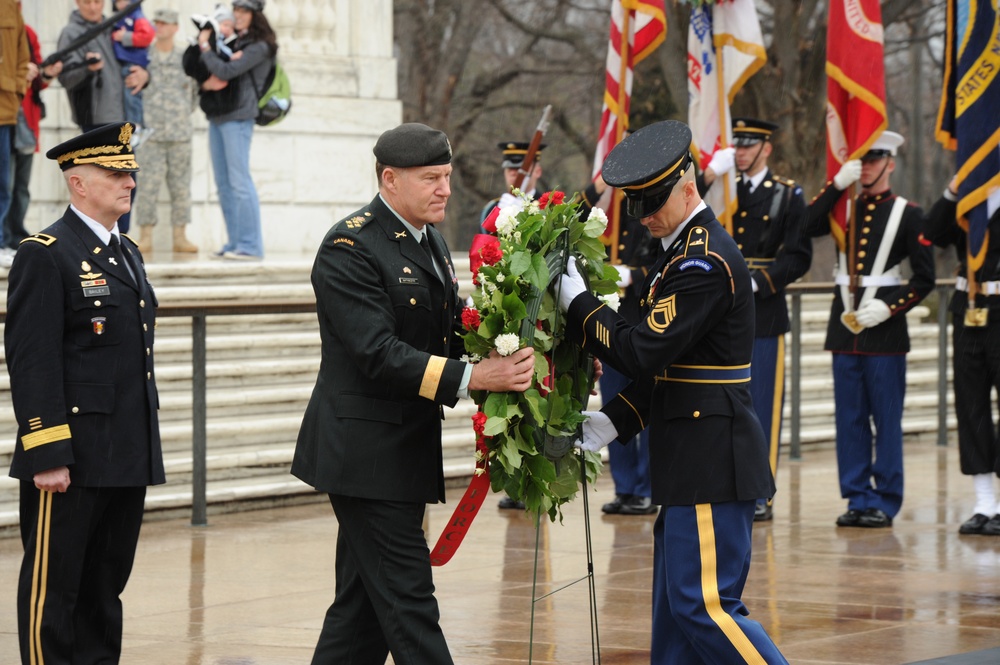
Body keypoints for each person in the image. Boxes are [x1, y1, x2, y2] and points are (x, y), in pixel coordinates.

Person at [291, 123, 536, 664]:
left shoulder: (429, 240)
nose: (445, 189)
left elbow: (441, 336)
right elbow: (377, 352)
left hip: (400, 451)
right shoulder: (349, 245)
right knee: (410, 605)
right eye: (431, 178)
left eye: (446, 176)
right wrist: (475, 378)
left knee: (361, 617)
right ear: (390, 179)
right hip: (364, 456)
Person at [556, 120, 787, 664]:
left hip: (712, 459)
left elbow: (641, 352)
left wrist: (579, 305)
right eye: (636, 204)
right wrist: (613, 421)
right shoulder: (677, 251)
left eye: (653, 201)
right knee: (675, 631)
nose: (643, 216)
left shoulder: (702, 261)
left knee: (704, 608)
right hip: (690, 460)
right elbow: (678, 371)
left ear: (689, 186)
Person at [6, 122, 163, 665]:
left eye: (130, 173)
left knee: (104, 592)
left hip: (125, 451)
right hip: (70, 456)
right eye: (115, 173)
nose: (128, 182)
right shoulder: (45, 253)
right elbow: (32, 361)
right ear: (78, 182)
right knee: (56, 591)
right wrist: (47, 451)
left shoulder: (127, 253)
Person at [805, 130, 935, 528]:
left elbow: (924, 278)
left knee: (886, 418)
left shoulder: (909, 213)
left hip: (884, 332)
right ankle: (857, 495)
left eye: (875, 160)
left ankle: (886, 498)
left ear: (890, 163)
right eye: (862, 161)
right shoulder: (845, 210)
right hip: (845, 330)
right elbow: (806, 225)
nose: (867, 168)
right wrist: (837, 184)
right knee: (850, 419)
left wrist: (890, 306)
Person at [700, 118, 812, 522]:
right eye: (738, 146)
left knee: (761, 405)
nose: (742, 153)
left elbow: (799, 256)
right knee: (718, 403)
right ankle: (723, 484)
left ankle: (759, 491)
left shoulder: (786, 194)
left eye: (749, 146)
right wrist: (710, 174)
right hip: (717, 311)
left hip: (762, 312)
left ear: (766, 148)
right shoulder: (718, 188)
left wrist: (757, 282)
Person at [577, 173, 659, 516]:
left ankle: (647, 488)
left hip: (646, 320)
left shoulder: (656, 204)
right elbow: (573, 220)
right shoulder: (607, 204)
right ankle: (625, 486)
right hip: (611, 322)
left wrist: (633, 275)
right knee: (613, 403)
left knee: (645, 408)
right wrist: (597, 188)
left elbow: (665, 260)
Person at [924, 177, 1000, 535]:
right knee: (971, 406)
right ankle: (985, 503)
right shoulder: (968, 198)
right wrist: (952, 189)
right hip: (969, 308)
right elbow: (932, 233)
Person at [57, 0, 151, 233]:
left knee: (127, 181)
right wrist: (88, 68)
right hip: (95, 120)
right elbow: (65, 78)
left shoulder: (114, 26)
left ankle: (120, 237)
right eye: (87, 1)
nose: (93, 7)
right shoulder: (71, 33)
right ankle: (99, 237)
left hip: (124, 119)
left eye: (98, 1)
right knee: (101, 184)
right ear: (78, 2)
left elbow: (138, 57)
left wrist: (145, 76)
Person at [194, 0, 275, 260]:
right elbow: (209, 73)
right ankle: (235, 242)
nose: (237, 15)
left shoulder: (260, 47)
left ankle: (250, 245)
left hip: (239, 117)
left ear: (255, 15)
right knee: (224, 184)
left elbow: (225, 71)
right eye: (235, 10)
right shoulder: (234, 42)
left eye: (243, 11)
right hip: (218, 116)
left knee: (240, 182)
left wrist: (205, 45)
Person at [132, 8, 199, 254]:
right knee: (147, 185)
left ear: (175, 28)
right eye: (157, 23)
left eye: (166, 23)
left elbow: (194, 95)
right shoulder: (144, 57)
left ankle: (180, 236)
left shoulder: (185, 58)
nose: (161, 27)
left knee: (181, 186)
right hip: (151, 134)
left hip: (180, 135)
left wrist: (179, 117)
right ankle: (145, 235)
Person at [5, 23, 62, 254]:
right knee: (4, 185)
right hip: (4, 117)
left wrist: (45, 73)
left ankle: (14, 236)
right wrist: (18, 72)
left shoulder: (28, 32)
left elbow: (38, 80)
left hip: (25, 120)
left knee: (20, 186)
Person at [0, 0, 29, 268]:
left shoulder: (11, 7)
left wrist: (17, 89)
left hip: (4, 108)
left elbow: (22, 56)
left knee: (3, 183)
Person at [111, 0, 155, 147]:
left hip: (133, 61)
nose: (121, 3)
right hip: (126, 61)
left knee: (132, 96)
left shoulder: (136, 15)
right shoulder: (121, 16)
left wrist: (125, 37)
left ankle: (137, 127)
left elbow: (147, 35)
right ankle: (138, 127)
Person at [478, 141, 546, 230]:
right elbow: (484, 241)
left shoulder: (547, 206)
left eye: (520, 168)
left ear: (537, 171)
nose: (513, 173)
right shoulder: (492, 209)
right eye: (509, 168)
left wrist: (522, 216)